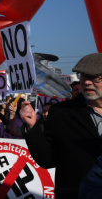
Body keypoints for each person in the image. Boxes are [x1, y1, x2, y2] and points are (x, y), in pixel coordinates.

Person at [20, 53, 102, 198]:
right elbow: (47, 159)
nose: (87, 82)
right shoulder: (61, 113)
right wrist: (32, 126)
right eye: (83, 77)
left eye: (95, 78)